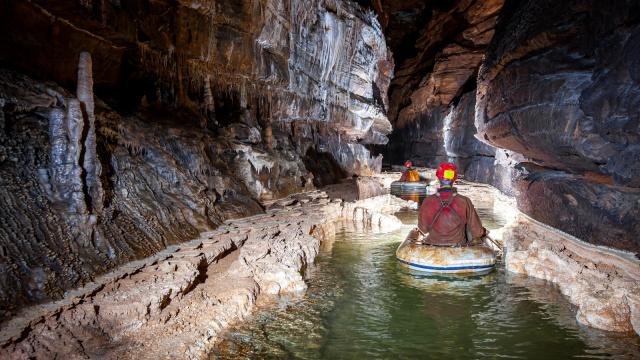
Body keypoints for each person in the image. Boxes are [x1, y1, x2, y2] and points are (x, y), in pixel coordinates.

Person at [417, 162, 487, 246]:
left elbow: (423, 229)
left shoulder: (427, 201)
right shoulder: (464, 201)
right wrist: (483, 232)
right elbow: (477, 231)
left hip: (433, 245)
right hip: (458, 246)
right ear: (454, 178)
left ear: (438, 177)